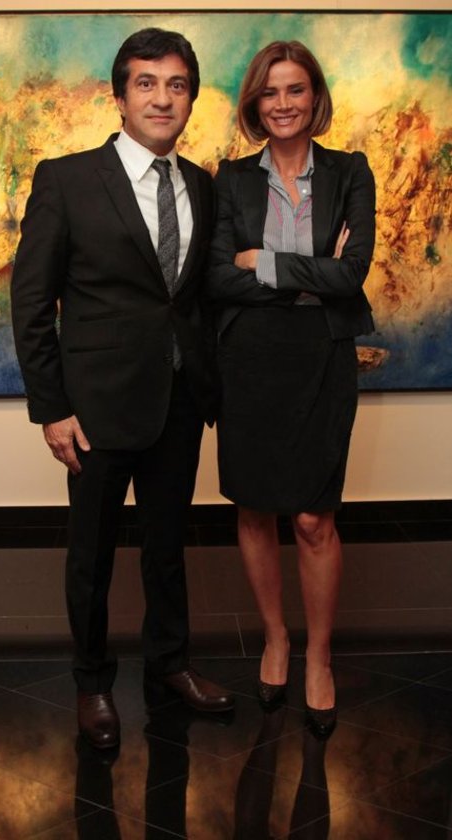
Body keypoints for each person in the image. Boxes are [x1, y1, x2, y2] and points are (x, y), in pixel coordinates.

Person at [11, 27, 234, 750]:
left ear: (190, 99)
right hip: (95, 409)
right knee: (92, 557)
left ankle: (170, 664)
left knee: (167, 548)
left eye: (176, 85)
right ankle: (92, 683)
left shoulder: (202, 185)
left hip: (178, 403)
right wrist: (51, 409)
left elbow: (191, 300)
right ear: (119, 96)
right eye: (146, 83)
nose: (161, 98)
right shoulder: (66, 179)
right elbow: (31, 302)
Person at [206, 40, 376, 737]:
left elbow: (352, 274)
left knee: (312, 518)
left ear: (315, 97)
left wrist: (265, 263)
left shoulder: (350, 172)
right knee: (254, 510)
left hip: (321, 355)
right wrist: (310, 272)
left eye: (295, 89)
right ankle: (275, 637)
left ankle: (319, 656)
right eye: (270, 92)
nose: (282, 104)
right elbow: (217, 277)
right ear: (255, 102)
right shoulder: (230, 179)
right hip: (247, 359)